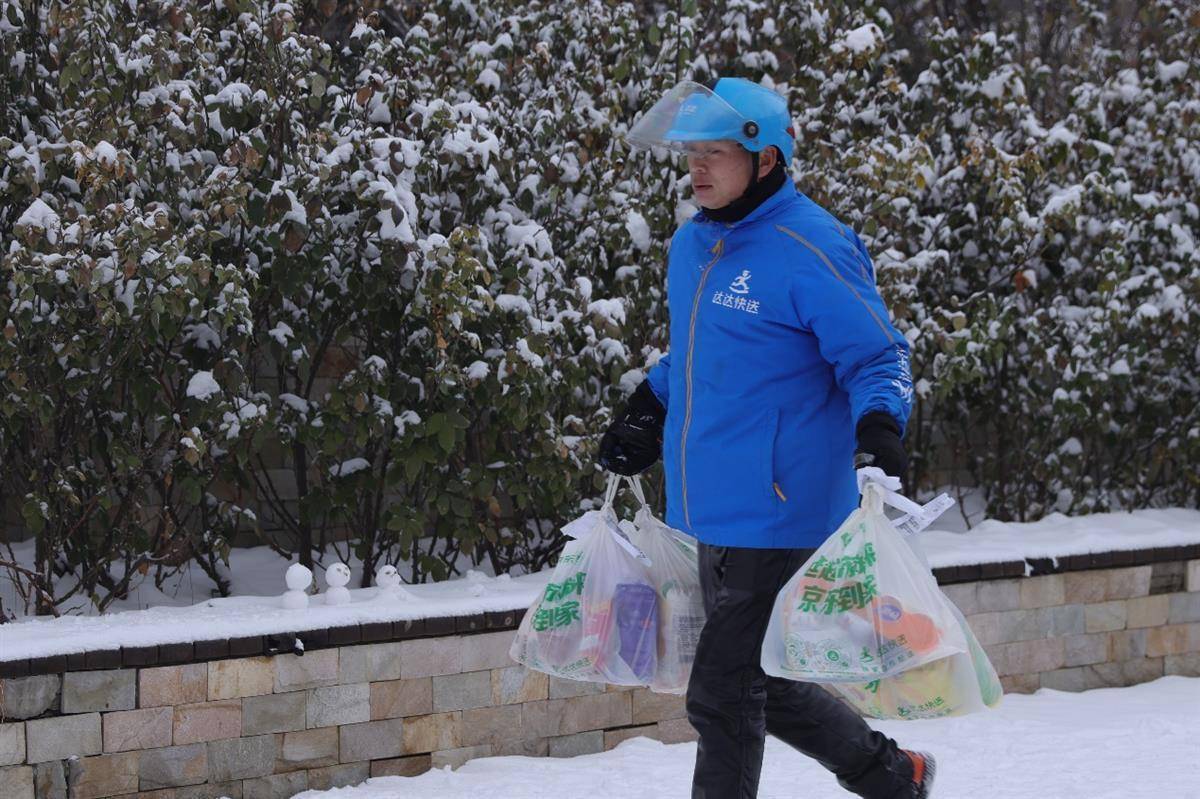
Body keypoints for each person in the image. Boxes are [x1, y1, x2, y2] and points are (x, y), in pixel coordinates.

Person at [598, 78, 934, 799]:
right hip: (710, 509)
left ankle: (888, 774)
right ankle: (892, 773)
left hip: (783, 509)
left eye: (715, 153)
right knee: (763, 678)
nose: (697, 169)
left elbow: (878, 353)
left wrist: (880, 426)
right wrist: (648, 409)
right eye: (692, 153)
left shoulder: (809, 244)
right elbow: (697, 355)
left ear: (766, 159)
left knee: (720, 693)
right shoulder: (695, 243)